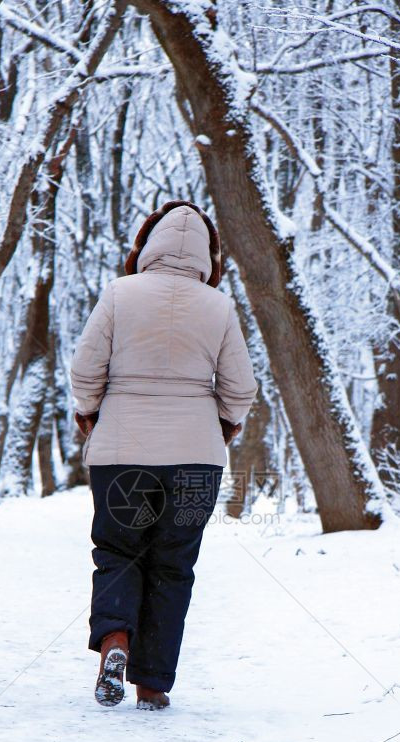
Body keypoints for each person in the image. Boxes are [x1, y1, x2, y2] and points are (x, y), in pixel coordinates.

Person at [71, 200, 257, 710]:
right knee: (174, 565)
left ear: (145, 248)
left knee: (118, 551)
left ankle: (115, 642)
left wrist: (92, 414)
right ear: (209, 258)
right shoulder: (218, 307)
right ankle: (152, 685)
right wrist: (221, 424)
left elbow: (86, 371)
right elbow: (240, 389)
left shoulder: (119, 294)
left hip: (120, 456)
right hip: (196, 462)